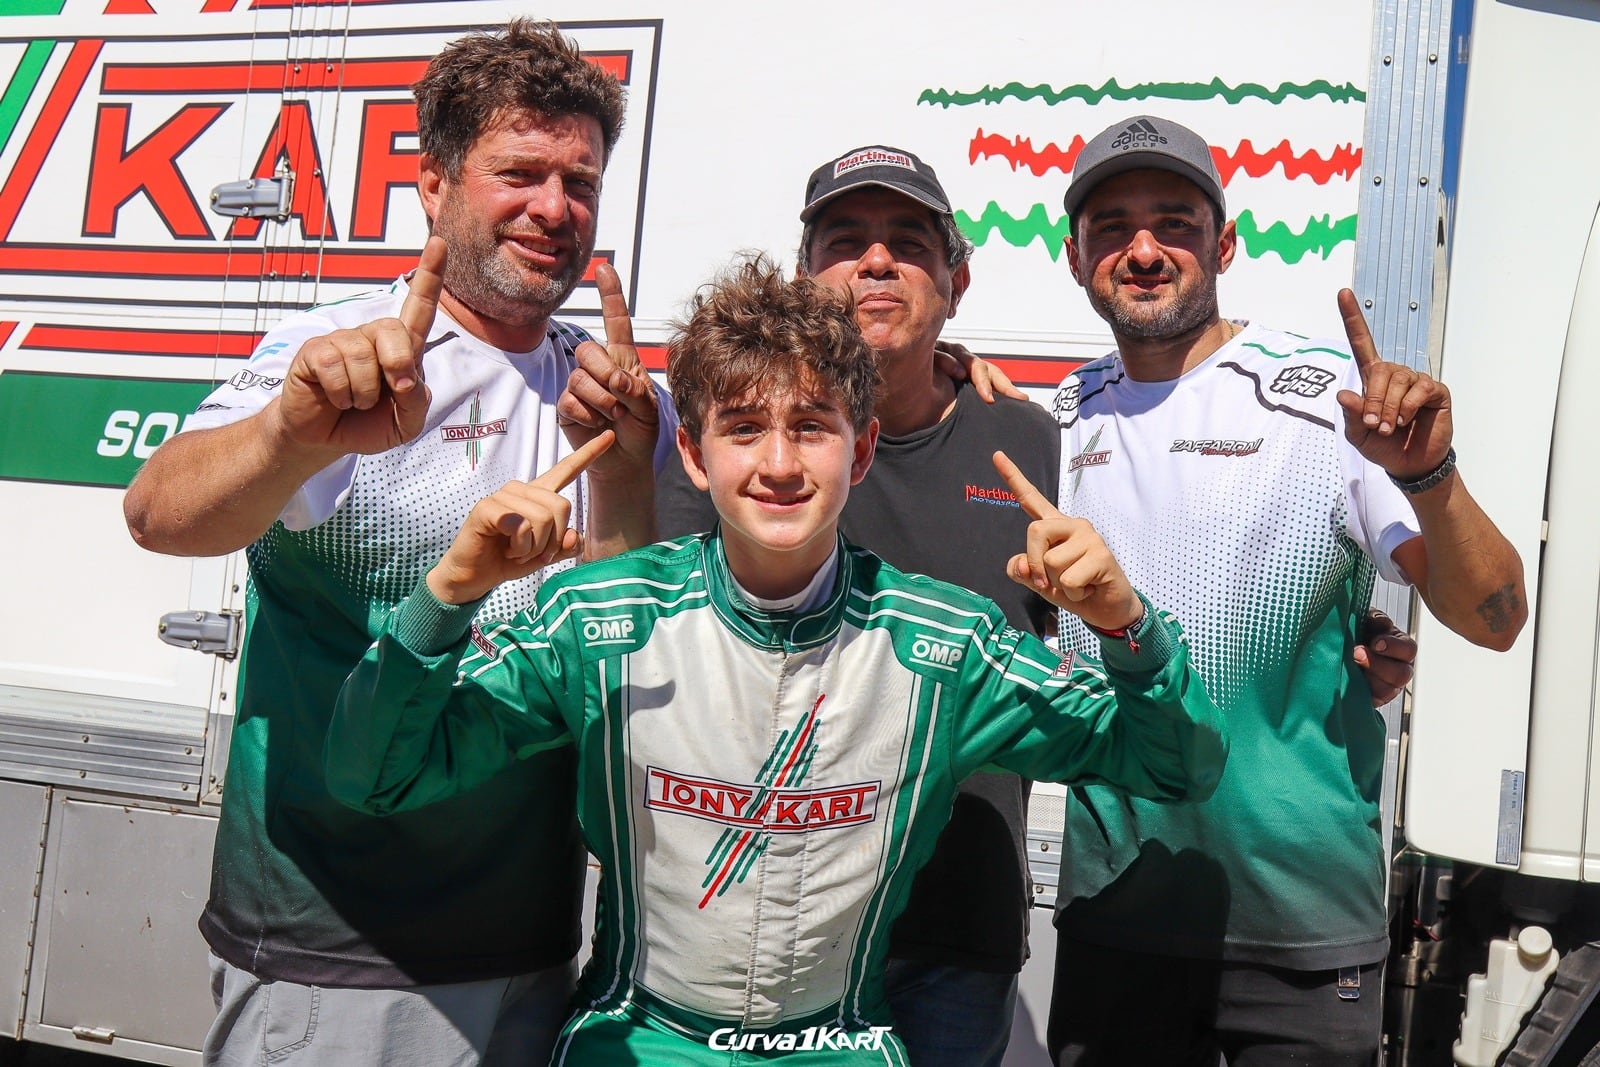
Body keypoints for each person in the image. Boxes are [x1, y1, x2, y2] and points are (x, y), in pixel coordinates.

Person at [323, 256, 1227, 1064]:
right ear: (691, 449)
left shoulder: (943, 642)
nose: (781, 463)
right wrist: (445, 595)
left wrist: (1127, 627)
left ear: (863, 449)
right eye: (745, 426)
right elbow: (375, 776)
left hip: (845, 1047)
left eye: (814, 426)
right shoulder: (596, 617)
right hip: (630, 1043)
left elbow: (1176, 766)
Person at [121, 20, 671, 1066]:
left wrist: (624, 471)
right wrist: (289, 430)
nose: (554, 209)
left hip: (537, 941)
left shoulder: (618, 394)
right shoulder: (348, 354)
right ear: (433, 186)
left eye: (580, 182)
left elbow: (622, 644)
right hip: (336, 946)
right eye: (519, 173)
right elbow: (158, 512)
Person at [1041, 114, 1527, 1065]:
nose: (1143, 250)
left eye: (1174, 221)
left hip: (1305, 929)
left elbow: (1494, 618)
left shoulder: (1323, 397)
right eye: (1113, 226)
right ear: (1076, 257)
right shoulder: (1054, 419)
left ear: (1224, 243)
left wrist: (1432, 475)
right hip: (1116, 918)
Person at [650, 146, 1060, 1065]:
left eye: (909, 242)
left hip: (951, 939)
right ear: (805, 278)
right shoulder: (739, 438)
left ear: (957, 281)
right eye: (847, 240)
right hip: (750, 937)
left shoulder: (1031, 440)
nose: (877, 262)